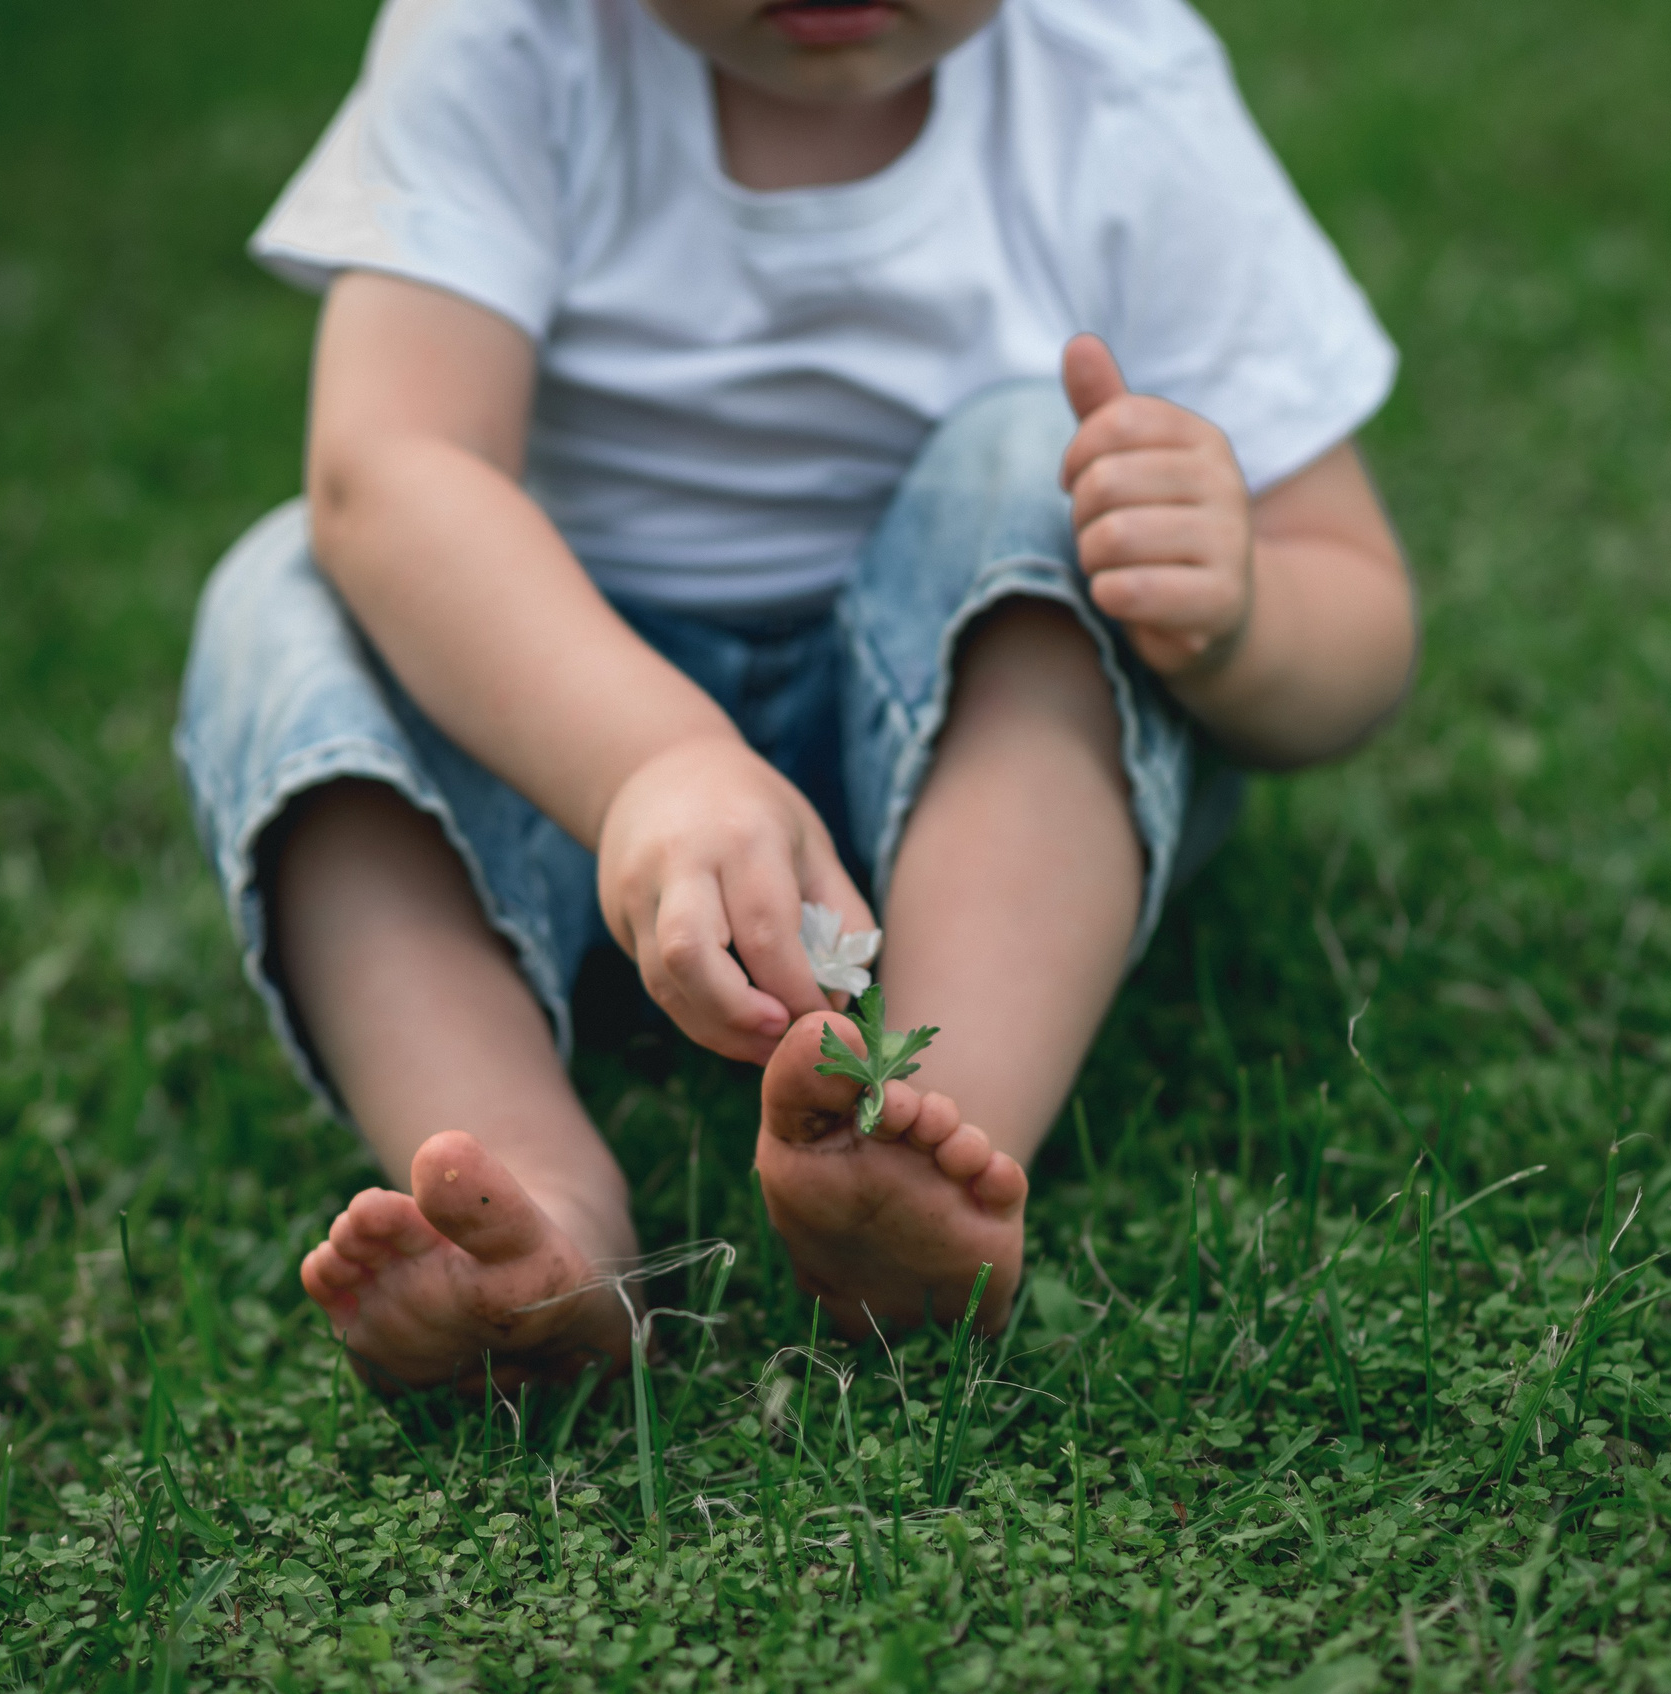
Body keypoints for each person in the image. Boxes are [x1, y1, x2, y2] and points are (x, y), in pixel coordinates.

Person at [176, 0, 1415, 1390]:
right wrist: (653, 762)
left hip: (968, 768)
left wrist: (1238, 616)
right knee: (285, 592)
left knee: (1042, 458)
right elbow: (392, 465)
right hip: (557, 744)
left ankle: (921, 1132)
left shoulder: (1117, 78)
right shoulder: (506, 38)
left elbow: (1358, 612)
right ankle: (528, 1202)